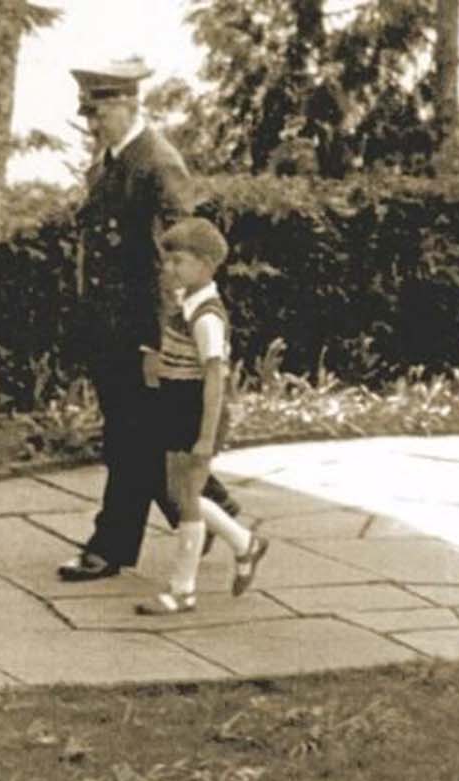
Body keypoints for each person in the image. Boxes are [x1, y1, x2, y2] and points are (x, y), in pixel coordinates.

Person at [58, 58, 240, 583]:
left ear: (125, 104)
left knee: (130, 441)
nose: (92, 125)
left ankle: (109, 546)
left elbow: (179, 258)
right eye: (89, 115)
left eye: (99, 113)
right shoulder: (113, 161)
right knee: (143, 440)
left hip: (141, 331)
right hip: (113, 328)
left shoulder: (156, 163)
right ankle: (219, 518)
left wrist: (165, 338)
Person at [135, 218, 268, 615]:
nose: (168, 269)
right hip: (177, 405)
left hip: (196, 410)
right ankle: (245, 544)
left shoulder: (206, 316)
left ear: (207, 266)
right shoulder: (184, 306)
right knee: (182, 496)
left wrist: (206, 437)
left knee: (187, 499)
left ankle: (183, 590)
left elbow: (214, 380)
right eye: (167, 261)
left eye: (179, 262)